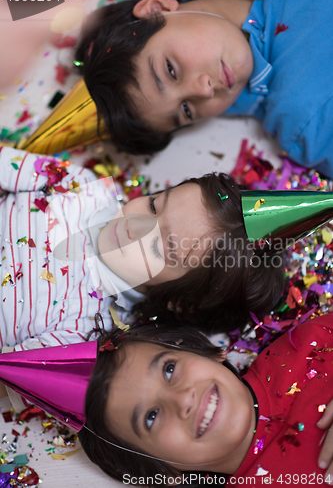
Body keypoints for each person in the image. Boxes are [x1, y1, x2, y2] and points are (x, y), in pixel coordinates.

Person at [0, 145, 284, 353]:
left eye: (161, 246)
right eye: (154, 205)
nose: (135, 226)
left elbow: (9, 375)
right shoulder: (83, 188)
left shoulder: (86, 329)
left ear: (180, 301)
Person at [75, 0, 333, 178]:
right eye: (186, 110)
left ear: (157, 10)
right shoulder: (306, 128)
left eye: (171, 70)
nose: (204, 90)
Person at [79, 316, 333, 487]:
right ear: (164, 475)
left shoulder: (310, 343)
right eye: (151, 416)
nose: (181, 399)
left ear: (209, 352)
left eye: (169, 369)